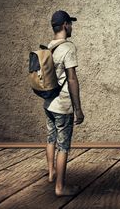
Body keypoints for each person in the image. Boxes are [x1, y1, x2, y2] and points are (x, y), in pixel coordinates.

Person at [44, 10, 85, 196]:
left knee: (50, 138)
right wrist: (78, 109)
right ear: (65, 25)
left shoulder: (50, 46)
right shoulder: (68, 48)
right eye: (70, 23)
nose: (72, 27)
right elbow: (72, 79)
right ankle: (60, 187)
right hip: (62, 105)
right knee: (63, 146)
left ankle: (51, 173)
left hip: (49, 103)